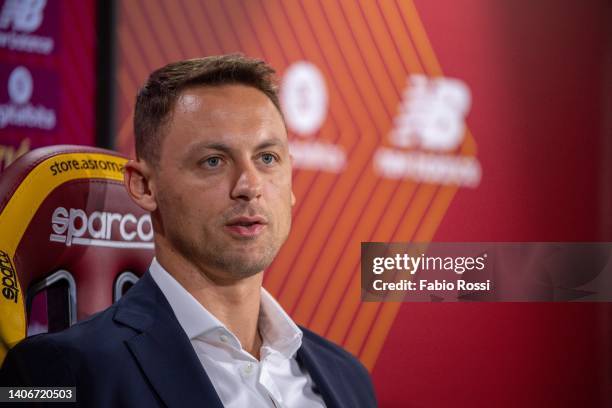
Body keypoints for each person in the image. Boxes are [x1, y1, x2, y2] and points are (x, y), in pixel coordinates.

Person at [0, 55, 377, 408]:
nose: (249, 184)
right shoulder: (54, 374)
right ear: (144, 187)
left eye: (267, 159)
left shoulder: (348, 377)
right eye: (213, 161)